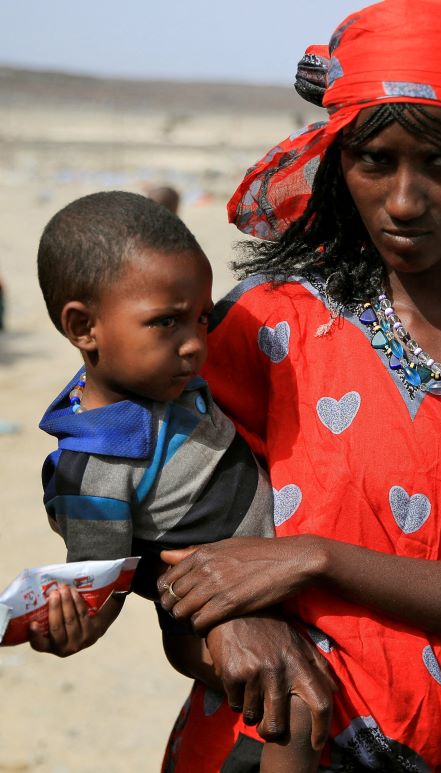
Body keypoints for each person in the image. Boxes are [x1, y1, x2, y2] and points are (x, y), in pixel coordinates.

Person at [153, 1, 441, 770]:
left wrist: (320, 557)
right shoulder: (268, 329)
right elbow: (163, 527)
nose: (406, 200)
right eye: (375, 159)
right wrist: (221, 629)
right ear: (339, 164)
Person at [33, 191, 327, 772]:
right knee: (290, 701)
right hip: (207, 611)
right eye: (166, 323)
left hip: (271, 574)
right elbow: (104, 583)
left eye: (201, 318)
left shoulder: (159, 379)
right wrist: (73, 627)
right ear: (82, 327)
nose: (195, 343)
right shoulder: (95, 467)